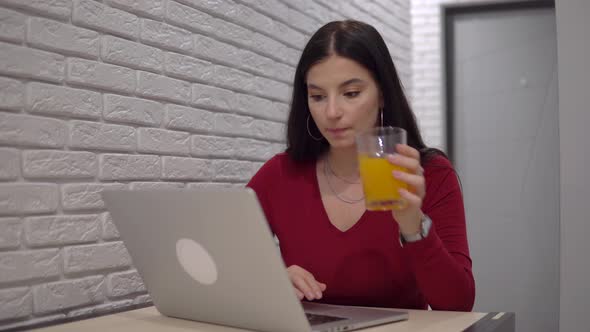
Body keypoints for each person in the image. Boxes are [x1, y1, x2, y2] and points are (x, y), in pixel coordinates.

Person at [247, 20, 474, 311]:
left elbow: (459, 304)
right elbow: (225, 262)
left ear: (381, 94)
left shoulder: (430, 174)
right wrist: (269, 279)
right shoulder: (280, 175)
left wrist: (412, 225)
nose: (331, 112)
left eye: (351, 93)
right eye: (317, 96)